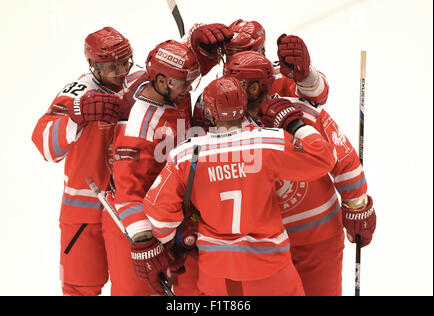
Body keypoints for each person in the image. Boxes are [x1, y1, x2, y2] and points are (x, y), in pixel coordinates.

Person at [137, 76, 338, 295]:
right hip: (271, 271)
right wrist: (295, 124)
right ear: (243, 106)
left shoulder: (185, 154)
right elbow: (324, 158)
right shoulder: (268, 143)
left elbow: (157, 211)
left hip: (217, 274)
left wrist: (171, 241)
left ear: (210, 112)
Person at [223, 50, 376, 295]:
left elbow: (344, 159)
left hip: (319, 237)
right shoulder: (228, 129)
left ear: (253, 88)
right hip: (266, 247)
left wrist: (357, 205)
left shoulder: (302, 111)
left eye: (234, 83)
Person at [109, 33, 232, 295]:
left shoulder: (172, 90)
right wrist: (145, 245)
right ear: (162, 81)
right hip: (137, 226)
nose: (189, 90)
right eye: (184, 84)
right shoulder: (138, 128)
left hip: (170, 218)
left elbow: (178, 63)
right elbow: (127, 194)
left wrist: (203, 52)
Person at [31, 27, 147, 295]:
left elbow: (175, 79)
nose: (120, 71)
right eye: (110, 66)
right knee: (80, 288)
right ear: (92, 65)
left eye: (124, 62)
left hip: (128, 211)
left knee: (134, 290)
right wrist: (76, 115)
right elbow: (44, 144)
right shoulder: (77, 92)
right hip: (84, 214)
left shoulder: (141, 78)